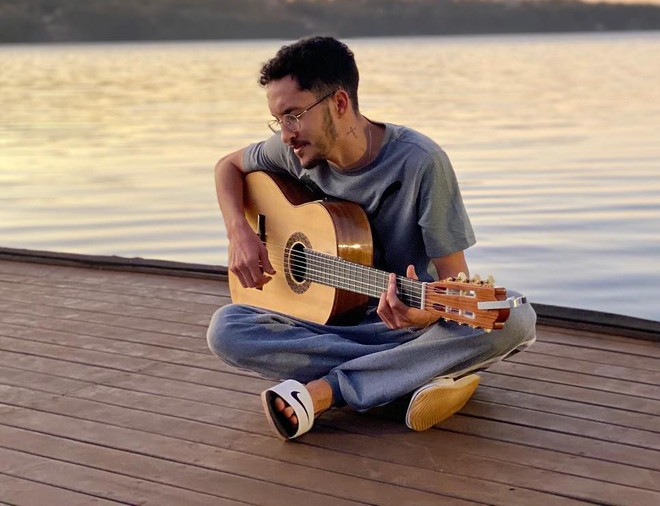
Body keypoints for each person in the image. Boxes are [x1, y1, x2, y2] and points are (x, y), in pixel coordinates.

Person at [207, 36, 536, 440]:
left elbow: (454, 282)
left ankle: (328, 390)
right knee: (227, 328)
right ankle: (416, 375)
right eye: (279, 121)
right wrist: (239, 232)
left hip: (405, 326)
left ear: (339, 103)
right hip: (330, 326)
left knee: (515, 317)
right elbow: (228, 166)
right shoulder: (294, 152)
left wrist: (426, 313)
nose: (286, 133)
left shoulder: (420, 163)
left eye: (293, 115)